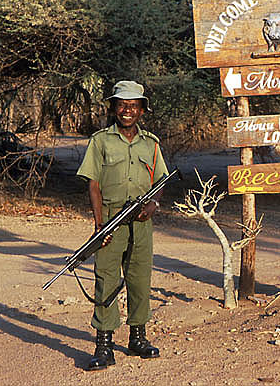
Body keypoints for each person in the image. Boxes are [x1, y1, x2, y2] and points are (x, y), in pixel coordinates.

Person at [76, 80, 168, 371]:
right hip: (111, 219)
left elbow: (161, 180)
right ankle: (104, 346)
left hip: (141, 223)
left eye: (133, 105)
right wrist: (100, 224)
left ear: (142, 110)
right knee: (106, 279)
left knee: (140, 279)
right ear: (113, 108)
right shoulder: (100, 141)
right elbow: (93, 184)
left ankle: (137, 338)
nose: (127, 111)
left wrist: (153, 206)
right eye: (121, 104)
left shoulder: (151, 144)